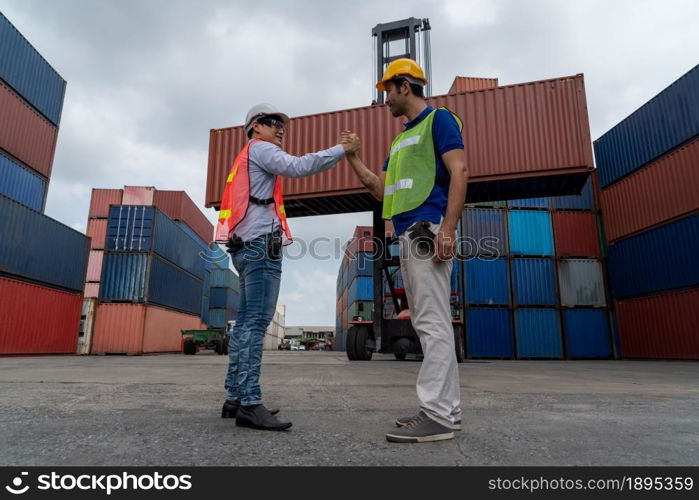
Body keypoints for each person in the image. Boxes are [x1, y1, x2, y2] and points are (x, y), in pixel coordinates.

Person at [343, 59, 469, 443]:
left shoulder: (440, 121)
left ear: (403, 86)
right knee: (427, 323)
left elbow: (460, 171)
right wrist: (352, 157)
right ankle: (446, 409)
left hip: (427, 231)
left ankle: (438, 416)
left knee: (432, 324)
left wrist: (448, 228)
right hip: (407, 235)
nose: (385, 100)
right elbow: (381, 190)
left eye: (387, 91)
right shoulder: (399, 141)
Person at [216, 103, 360, 431]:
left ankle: (235, 397)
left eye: (281, 124)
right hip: (259, 249)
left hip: (243, 247)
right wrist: (343, 149)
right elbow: (299, 166)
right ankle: (250, 403)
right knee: (255, 323)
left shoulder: (243, 159)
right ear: (254, 127)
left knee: (243, 325)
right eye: (271, 122)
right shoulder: (261, 149)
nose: (279, 128)